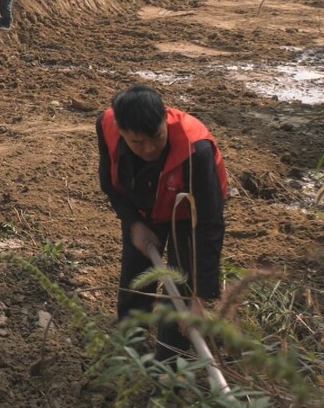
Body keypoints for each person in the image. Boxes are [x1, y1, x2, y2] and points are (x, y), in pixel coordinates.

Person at [97, 85, 228, 362]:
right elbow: (110, 183)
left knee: (180, 293)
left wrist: (200, 299)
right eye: (137, 143)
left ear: (165, 120)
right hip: (143, 206)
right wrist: (133, 223)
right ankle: (129, 350)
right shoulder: (107, 126)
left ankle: (167, 369)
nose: (150, 149)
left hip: (189, 212)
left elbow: (210, 224)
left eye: (156, 137)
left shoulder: (196, 150)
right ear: (121, 131)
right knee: (135, 280)